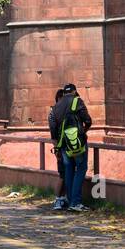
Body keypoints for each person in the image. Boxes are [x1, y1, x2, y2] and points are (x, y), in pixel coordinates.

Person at [50, 83, 93, 212]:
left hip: (63, 145)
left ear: (64, 93)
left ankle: (69, 201)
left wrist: (57, 145)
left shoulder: (56, 106)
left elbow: (53, 128)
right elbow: (88, 120)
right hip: (77, 143)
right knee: (81, 168)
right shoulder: (77, 101)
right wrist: (82, 132)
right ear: (74, 91)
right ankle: (76, 202)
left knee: (68, 170)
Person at [46, 88, 67, 210]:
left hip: (67, 147)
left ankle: (63, 198)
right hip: (61, 147)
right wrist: (57, 149)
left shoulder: (63, 112)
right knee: (62, 175)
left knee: (67, 174)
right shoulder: (54, 113)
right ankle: (58, 199)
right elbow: (53, 135)